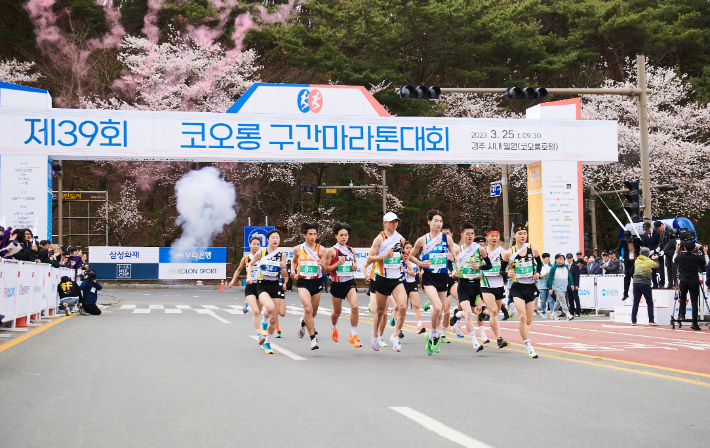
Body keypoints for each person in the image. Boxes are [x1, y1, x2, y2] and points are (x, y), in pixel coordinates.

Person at [409, 209, 453, 355]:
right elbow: (411, 256)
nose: (438, 223)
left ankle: (431, 335)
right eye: (436, 220)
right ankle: (435, 334)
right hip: (428, 278)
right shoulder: (423, 240)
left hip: (443, 276)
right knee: (438, 307)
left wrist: (452, 257)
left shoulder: (447, 239)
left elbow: (455, 257)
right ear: (429, 222)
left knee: (438, 311)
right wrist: (420, 264)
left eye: (440, 221)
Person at [366, 212, 408, 352]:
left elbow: (402, 255)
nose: (394, 224)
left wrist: (403, 257)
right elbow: (369, 259)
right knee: (380, 311)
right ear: (385, 223)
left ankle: (395, 335)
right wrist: (384, 256)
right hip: (382, 278)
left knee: (403, 306)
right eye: (391, 222)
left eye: (396, 221)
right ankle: (375, 334)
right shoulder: (379, 239)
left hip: (396, 278)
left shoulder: (401, 239)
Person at [501, 224, 542, 358]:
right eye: (520, 234)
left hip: (530, 287)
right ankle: (529, 347)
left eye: (524, 233)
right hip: (517, 288)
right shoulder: (509, 253)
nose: (523, 236)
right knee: (522, 316)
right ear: (514, 236)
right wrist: (508, 273)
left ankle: (518, 313)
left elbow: (539, 264)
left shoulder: (533, 249)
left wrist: (537, 274)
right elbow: (502, 271)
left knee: (528, 321)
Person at [448, 223, 490, 353]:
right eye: (468, 234)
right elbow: (448, 263)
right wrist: (452, 272)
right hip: (463, 285)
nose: (470, 236)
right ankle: (475, 343)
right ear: (462, 235)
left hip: (476, 285)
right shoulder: (458, 250)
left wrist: (480, 267)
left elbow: (489, 265)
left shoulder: (480, 249)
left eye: (472, 233)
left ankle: (456, 314)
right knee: (468, 314)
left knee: (473, 311)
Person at [246, 229, 288, 354]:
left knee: (274, 319)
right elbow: (251, 264)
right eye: (273, 237)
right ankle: (263, 324)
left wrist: (283, 267)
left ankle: (267, 343)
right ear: (268, 239)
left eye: (277, 238)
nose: (276, 240)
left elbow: (285, 274)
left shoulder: (282, 254)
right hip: (262, 285)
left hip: (275, 285)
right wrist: (249, 276)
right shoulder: (261, 252)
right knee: (269, 308)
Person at [323, 222, 362, 348]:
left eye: (346, 235)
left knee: (355, 307)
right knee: (337, 313)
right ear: (336, 236)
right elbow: (326, 270)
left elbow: (354, 264)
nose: (344, 237)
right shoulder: (332, 251)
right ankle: (334, 326)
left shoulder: (351, 250)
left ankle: (353, 335)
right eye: (341, 235)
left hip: (349, 282)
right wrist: (337, 264)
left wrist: (355, 266)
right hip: (337, 284)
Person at [291, 222, 328, 350]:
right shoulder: (298, 249)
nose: (313, 237)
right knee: (308, 308)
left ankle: (303, 321)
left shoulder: (321, 249)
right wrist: (293, 271)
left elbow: (325, 271)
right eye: (310, 234)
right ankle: (313, 339)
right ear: (304, 235)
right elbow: (294, 262)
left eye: (315, 234)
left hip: (316, 282)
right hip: (302, 282)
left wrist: (322, 264)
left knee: (313, 313)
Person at [477, 227, 509, 348]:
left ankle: (484, 312)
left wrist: (507, 273)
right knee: (494, 311)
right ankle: (499, 339)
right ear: (487, 237)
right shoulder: (482, 251)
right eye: (492, 236)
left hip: (499, 284)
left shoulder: (503, 252)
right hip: (486, 284)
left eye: (496, 236)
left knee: (495, 310)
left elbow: (507, 268)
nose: (494, 238)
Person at [230, 236, 264, 333]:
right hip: (250, 287)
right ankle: (260, 333)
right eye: (254, 244)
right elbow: (238, 270)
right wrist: (232, 280)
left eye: (258, 244)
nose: (256, 246)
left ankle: (247, 306)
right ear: (249, 245)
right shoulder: (245, 259)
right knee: (256, 312)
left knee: (259, 311)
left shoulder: (263, 257)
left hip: (261, 286)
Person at [673, 241, 708, 330]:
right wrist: (705, 253)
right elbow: (706, 263)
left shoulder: (680, 256)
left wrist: (676, 250)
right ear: (694, 249)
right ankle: (694, 323)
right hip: (694, 281)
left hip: (683, 280)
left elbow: (674, 260)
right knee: (694, 302)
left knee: (683, 298)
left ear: (684, 248)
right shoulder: (696, 258)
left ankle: (681, 315)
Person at [402, 241, 424, 334]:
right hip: (402, 284)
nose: (409, 249)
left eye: (411, 247)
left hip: (412, 284)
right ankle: (399, 327)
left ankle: (419, 326)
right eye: (407, 248)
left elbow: (418, 272)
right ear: (403, 249)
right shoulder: (401, 259)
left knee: (416, 305)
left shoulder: (415, 260)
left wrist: (419, 280)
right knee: (403, 307)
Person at [615, 230, 643, 301]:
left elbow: (644, 244)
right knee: (627, 278)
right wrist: (620, 256)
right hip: (627, 261)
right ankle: (625, 294)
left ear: (631, 236)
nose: (628, 240)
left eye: (629, 238)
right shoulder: (623, 241)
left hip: (635, 261)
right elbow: (618, 249)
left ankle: (639, 293)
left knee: (632, 274)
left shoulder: (636, 240)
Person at [547, 254, 575, 320]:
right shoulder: (553, 268)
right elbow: (549, 278)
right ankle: (567, 314)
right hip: (556, 287)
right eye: (560, 258)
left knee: (558, 301)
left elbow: (569, 276)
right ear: (556, 259)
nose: (562, 260)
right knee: (563, 300)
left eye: (563, 258)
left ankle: (553, 314)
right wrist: (550, 288)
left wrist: (571, 284)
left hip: (564, 287)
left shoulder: (565, 267)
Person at [641, 222, 662, 288]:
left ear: (650, 227)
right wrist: (647, 252)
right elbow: (644, 245)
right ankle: (654, 283)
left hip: (658, 253)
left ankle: (661, 283)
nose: (646, 231)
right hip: (650, 254)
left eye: (647, 229)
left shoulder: (657, 233)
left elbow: (659, 242)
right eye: (645, 230)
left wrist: (654, 250)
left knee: (660, 268)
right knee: (652, 270)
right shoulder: (644, 235)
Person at [537, 253, 553, 318]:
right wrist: (544, 275)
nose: (548, 259)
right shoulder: (539, 265)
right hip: (542, 286)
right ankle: (543, 312)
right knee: (543, 300)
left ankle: (553, 313)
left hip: (550, 286)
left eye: (549, 257)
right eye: (547, 258)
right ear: (543, 258)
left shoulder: (551, 266)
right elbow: (537, 276)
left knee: (551, 300)